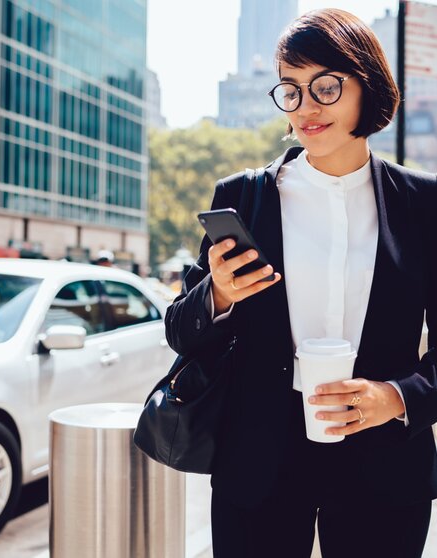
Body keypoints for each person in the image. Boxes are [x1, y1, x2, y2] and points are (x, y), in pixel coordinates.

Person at [165, 9, 437, 558]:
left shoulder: (424, 205)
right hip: (259, 461)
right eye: (291, 90)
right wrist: (216, 295)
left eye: (326, 87)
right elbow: (180, 330)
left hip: (383, 462)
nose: (307, 108)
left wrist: (398, 397)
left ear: (369, 86)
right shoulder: (242, 197)